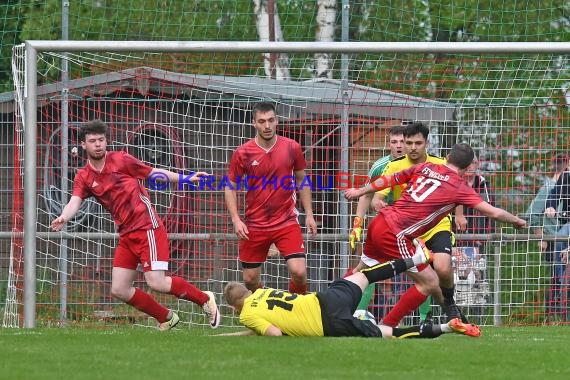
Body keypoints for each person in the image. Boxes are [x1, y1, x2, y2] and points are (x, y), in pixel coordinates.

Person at [50, 120, 220, 331]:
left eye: (101, 140)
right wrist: (64, 217)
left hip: (147, 227)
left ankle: (204, 299)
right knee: (120, 289)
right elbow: (75, 200)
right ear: (83, 145)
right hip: (126, 234)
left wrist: (185, 178)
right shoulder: (84, 176)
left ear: (106, 141)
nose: (98, 145)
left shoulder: (121, 160)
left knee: (156, 282)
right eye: (92, 141)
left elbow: (152, 172)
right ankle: (166, 317)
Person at [344, 143, 527, 331]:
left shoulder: (425, 167)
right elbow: (494, 213)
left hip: (379, 222)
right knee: (430, 282)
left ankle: (331, 305)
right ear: (468, 167)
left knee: (361, 269)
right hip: (395, 232)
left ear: (447, 157)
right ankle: (385, 327)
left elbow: (388, 179)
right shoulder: (459, 186)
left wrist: (360, 191)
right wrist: (516, 221)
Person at [222, 246, 480, 338]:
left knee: (387, 333)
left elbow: (275, 333)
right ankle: (416, 258)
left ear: (235, 308)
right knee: (366, 274)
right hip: (326, 298)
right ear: (247, 291)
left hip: (329, 322)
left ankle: (448, 327)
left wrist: (243, 332)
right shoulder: (261, 292)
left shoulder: (247, 315)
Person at [369, 122, 467, 325]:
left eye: (418, 143)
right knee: (426, 280)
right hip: (408, 233)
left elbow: (458, 189)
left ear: (426, 143)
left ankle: (447, 307)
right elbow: (377, 196)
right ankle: (445, 314)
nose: (413, 147)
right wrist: (377, 204)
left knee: (443, 268)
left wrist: (459, 214)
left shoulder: (440, 164)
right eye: (409, 143)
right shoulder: (393, 166)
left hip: (437, 226)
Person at [224, 102, 317, 294]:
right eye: (262, 121)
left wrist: (309, 214)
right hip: (255, 224)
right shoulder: (243, 153)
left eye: (271, 120)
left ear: (277, 121)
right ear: (254, 124)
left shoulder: (292, 147)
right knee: (250, 280)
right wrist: (235, 219)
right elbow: (230, 186)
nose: (267, 126)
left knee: (299, 271)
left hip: (286, 221)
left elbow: (302, 180)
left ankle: (295, 312)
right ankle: (268, 306)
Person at [348, 125, 405, 312]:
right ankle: (356, 313)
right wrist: (357, 226)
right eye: (394, 142)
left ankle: (423, 318)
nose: (399, 146)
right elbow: (365, 196)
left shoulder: (420, 165)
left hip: (412, 227)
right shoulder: (380, 166)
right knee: (367, 269)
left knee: (423, 272)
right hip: (386, 227)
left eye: (402, 141)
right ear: (388, 144)